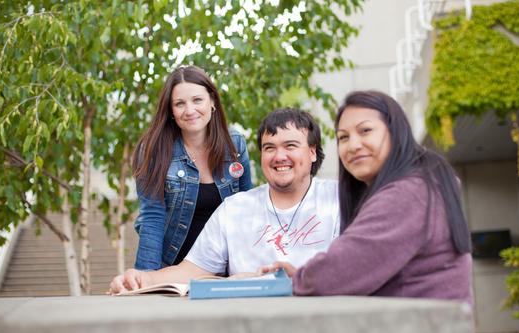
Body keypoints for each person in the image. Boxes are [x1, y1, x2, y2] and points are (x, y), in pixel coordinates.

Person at [262, 91, 473, 305]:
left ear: (395, 132)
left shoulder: (407, 194)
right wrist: (302, 277)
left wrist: (302, 279)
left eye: (365, 131)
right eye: (343, 137)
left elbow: (340, 270)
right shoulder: (423, 183)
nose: (353, 145)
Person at [109, 108, 340, 293]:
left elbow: (357, 269)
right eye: (269, 148)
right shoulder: (235, 208)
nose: (279, 156)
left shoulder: (340, 200)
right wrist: (143, 278)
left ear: (312, 152)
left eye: (290, 146)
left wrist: (298, 279)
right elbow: (192, 270)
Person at [132, 65, 252, 270]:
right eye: (179, 103)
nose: (189, 110)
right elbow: (152, 217)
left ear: (212, 101)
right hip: (172, 268)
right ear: (170, 110)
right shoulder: (153, 149)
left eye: (197, 100)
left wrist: (248, 267)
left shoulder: (234, 145)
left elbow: (246, 210)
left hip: (225, 268)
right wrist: (147, 278)